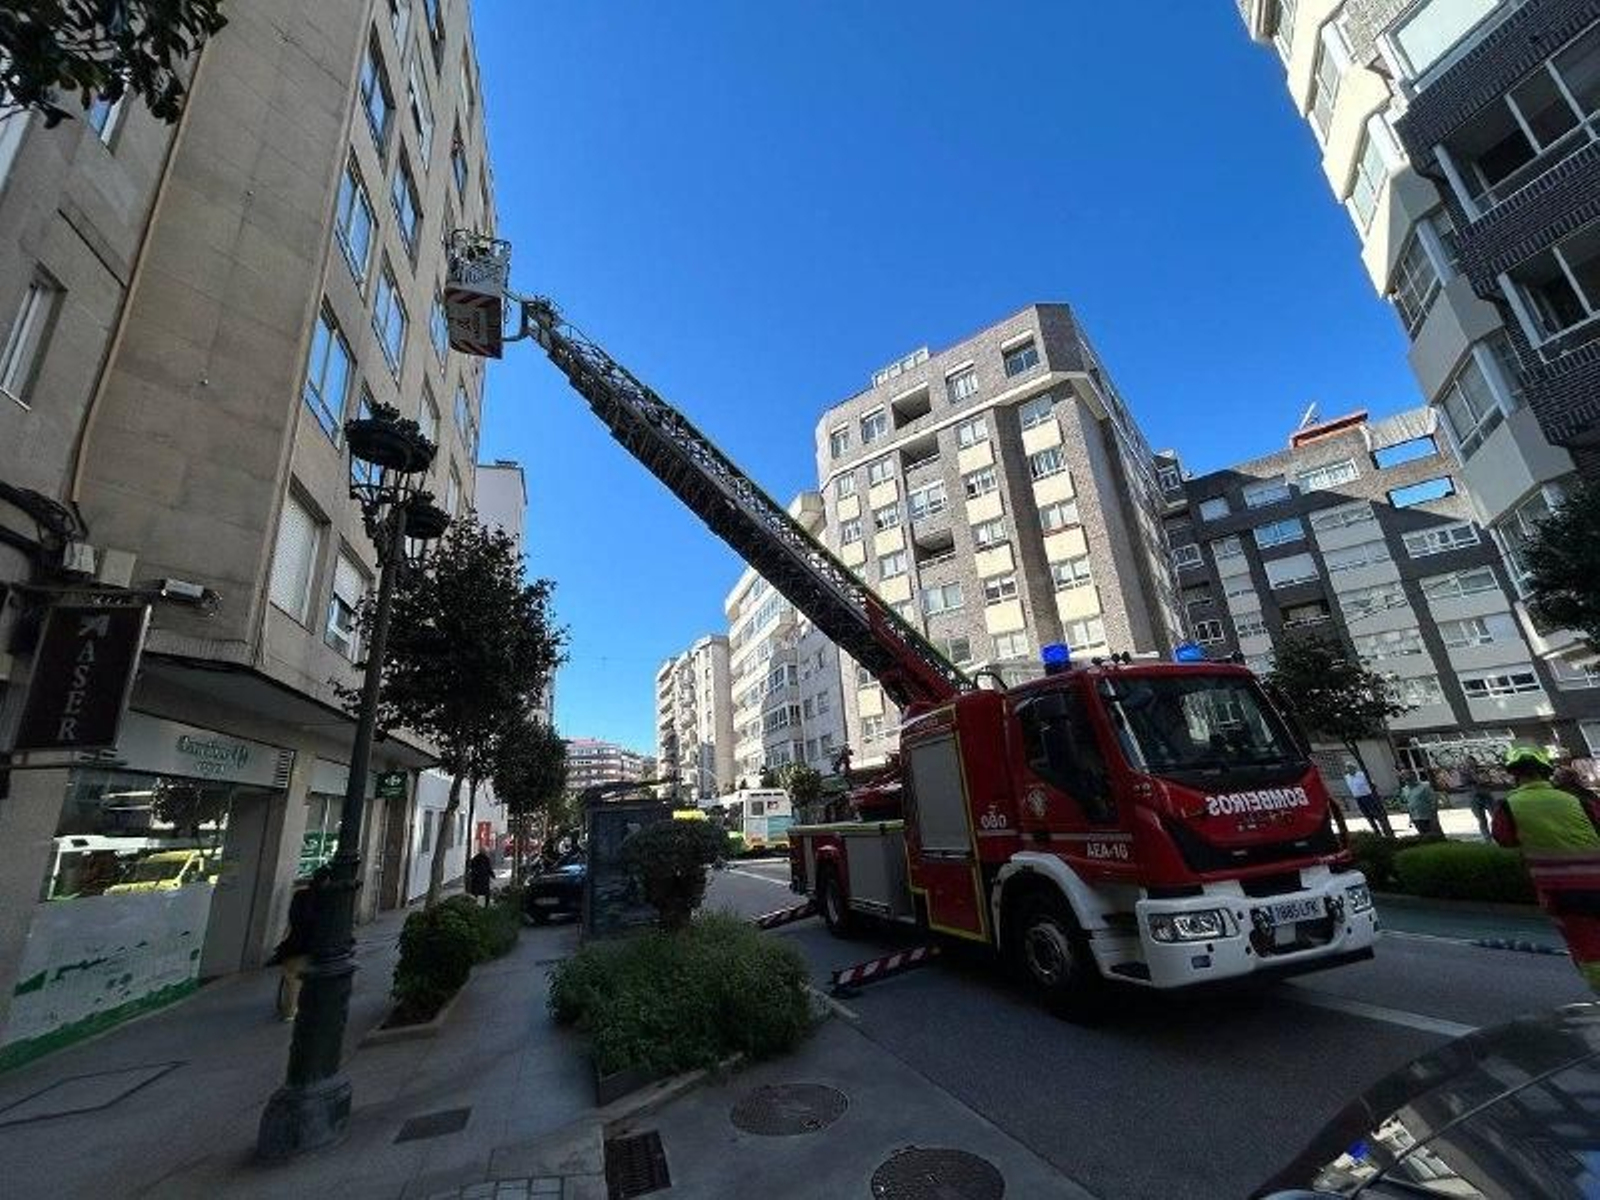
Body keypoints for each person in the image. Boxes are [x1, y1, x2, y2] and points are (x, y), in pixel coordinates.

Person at [1492, 745, 1600, 995]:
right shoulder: (1576, 799)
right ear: (1546, 772)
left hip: (1562, 892)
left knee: (1590, 950)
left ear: (1514, 775)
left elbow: (1504, 839)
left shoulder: (1509, 806)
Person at [271, 865, 328, 1021]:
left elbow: (293, 919)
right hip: (317, 945)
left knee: (293, 980)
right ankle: (304, 1009)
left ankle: (290, 1012)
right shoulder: (326, 898)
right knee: (312, 978)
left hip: (296, 944)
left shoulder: (300, 895)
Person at [1344, 761, 1392, 837]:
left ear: (1354, 768)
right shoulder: (1347, 777)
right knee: (1367, 815)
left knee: (1376, 814)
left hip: (1368, 796)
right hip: (1358, 798)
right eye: (1347, 768)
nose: (1349, 769)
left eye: (1350, 767)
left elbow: (1373, 784)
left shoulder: (1362, 775)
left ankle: (1385, 830)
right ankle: (1376, 832)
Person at [1399, 769, 1440, 837]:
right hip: (1415, 818)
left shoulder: (1425, 786)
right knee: (1423, 836)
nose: (1405, 778)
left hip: (1427, 817)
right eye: (1403, 777)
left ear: (1413, 775)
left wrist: (1434, 816)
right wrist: (1410, 817)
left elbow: (1433, 801)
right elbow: (1407, 803)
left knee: (1433, 836)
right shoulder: (1405, 790)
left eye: (1407, 775)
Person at [1461, 759, 1495, 841]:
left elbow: (1485, 780)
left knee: (1495, 816)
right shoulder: (1464, 773)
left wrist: (1476, 776)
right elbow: (1464, 782)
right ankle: (1487, 838)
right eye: (1468, 763)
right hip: (1474, 798)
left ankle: (1498, 833)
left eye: (1471, 762)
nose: (1470, 764)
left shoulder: (1482, 770)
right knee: (1482, 819)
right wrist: (1473, 776)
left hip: (1486, 796)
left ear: (1475, 762)